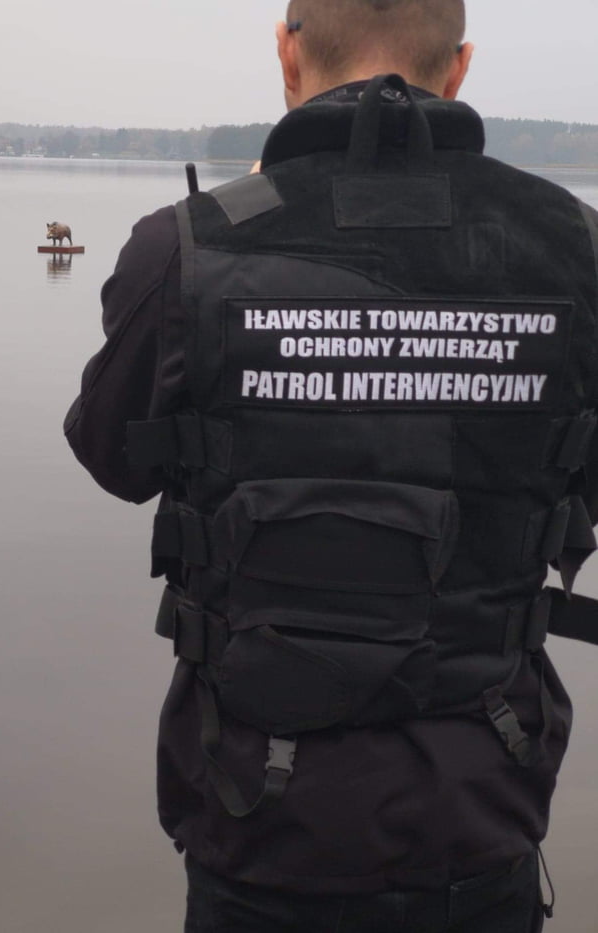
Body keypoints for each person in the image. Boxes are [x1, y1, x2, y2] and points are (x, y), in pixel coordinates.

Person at [65, 1, 598, 929]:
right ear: (459, 66)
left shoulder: (188, 246)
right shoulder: (577, 248)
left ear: (287, 52)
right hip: (477, 825)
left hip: (258, 830)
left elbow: (111, 457)